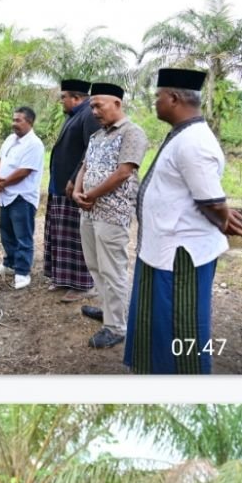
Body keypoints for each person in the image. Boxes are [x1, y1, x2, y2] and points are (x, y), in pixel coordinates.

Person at [124, 68, 242, 374]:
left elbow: (212, 201)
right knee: (159, 322)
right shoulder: (183, 134)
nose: (155, 103)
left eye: (158, 97)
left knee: (184, 324)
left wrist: (225, 219)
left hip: (182, 255)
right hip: (162, 249)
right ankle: (157, 373)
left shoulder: (194, 142)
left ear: (173, 98)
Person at [73, 83, 147, 349]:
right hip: (89, 210)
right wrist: (78, 192)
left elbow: (123, 172)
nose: (93, 111)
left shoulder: (132, 133)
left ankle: (116, 327)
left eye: (98, 105)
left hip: (112, 214)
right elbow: (85, 166)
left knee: (113, 269)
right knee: (95, 265)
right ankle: (107, 310)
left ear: (117, 103)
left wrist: (90, 194)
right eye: (91, 106)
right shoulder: (97, 136)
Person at [43, 78, 101, 300]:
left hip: (74, 187)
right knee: (61, 235)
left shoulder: (88, 115)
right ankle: (64, 279)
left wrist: (75, 177)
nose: (61, 101)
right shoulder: (74, 116)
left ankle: (82, 285)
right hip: (60, 186)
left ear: (76, 98)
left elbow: (91, 151)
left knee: (76, 238)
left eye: (63, 97)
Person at [0, 107, 45, 290]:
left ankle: (22, 272)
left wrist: (0, 185)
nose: (14, 124)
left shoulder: (34, 144)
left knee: (23, 236)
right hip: (5, 195)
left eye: (18, 120)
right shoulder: (10, 139)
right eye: (13, 120)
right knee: (6, 232)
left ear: (30, 122)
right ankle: (9, 264)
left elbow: (24, 171)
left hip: (22, 197)